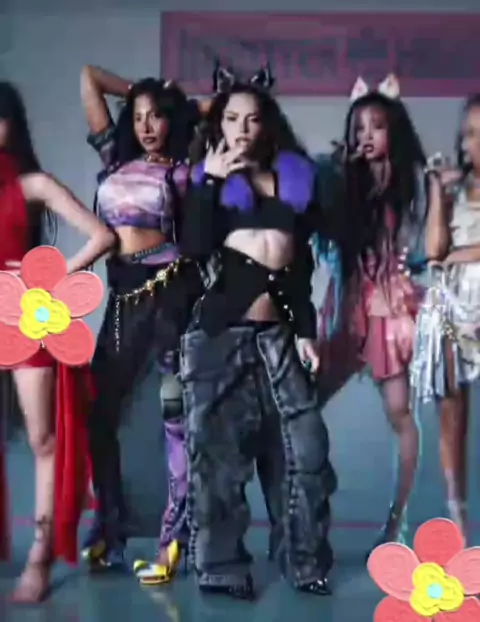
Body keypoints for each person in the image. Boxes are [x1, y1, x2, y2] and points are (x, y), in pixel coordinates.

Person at [179, 63, 337, 600]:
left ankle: (304, 561)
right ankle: (221, 567)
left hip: (279, 335)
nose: (242, 129)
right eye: (231, 118)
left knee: (304, 452)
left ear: (267, 122)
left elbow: (299, 267)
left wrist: (306, 329)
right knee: (219, 457)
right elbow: (194, 247)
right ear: (219, 123)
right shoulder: (208, 181)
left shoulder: (293, 177)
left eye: (251, 118)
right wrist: (209, 182)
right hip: (221, 334)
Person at [79, 65, 205, 580]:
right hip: (123, 297)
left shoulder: (184, 170)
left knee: (176, 418)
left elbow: (217, 110)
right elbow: (88, 78)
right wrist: (142, 93)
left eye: (157, 117)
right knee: (98, 411)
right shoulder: (115, 159)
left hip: (170, 295)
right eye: (138, 117)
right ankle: (109, 528)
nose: (147, 125)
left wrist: (172, 101)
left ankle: (173, 540)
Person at [0, 81, 115, 603]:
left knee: (43, 441)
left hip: (24, 317)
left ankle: (40, 557)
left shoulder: (33, 184)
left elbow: (103, 235)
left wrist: (46, 282)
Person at [318, 75, 436, 558]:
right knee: (304, 403)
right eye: (359, 127)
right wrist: (337, 176)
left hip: (392, 307)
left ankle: (396, 520)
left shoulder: (415, 181)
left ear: (394, 130)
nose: (366, 135)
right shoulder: (342, 180)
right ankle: (310, 498)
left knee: (399, 412)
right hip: (352, 304)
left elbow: (427, 244)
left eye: (377, 125)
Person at [411, 94, 480, 542]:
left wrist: (459, 254)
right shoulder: (454, 189)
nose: (474, 142)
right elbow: (435, 251)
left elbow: (447, 256)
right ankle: (458, 522)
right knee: (452, 412)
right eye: (470, 133)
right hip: (454, 304)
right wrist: (437, 189)